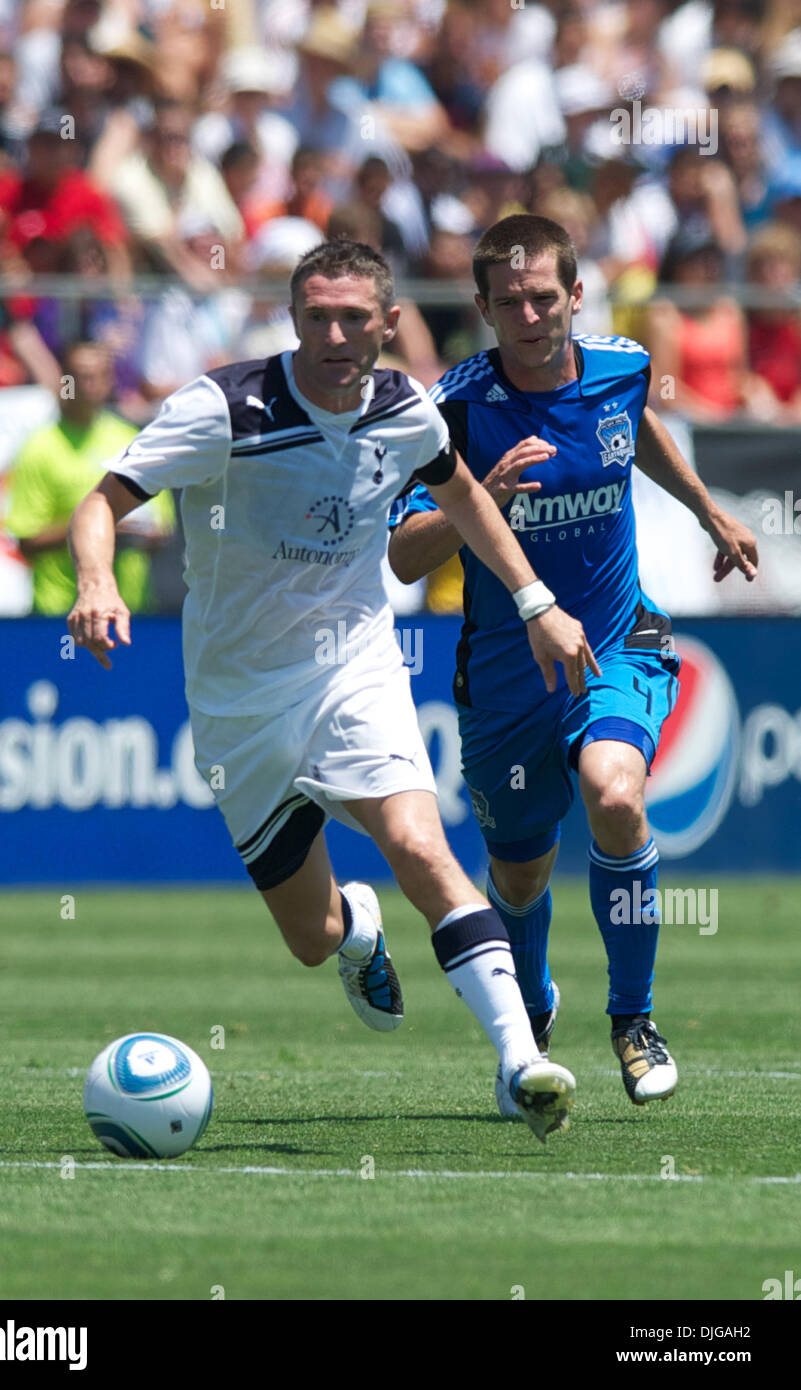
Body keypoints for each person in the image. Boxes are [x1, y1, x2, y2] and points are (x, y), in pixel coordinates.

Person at [65, 237, 602, 1142]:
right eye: (316, 315)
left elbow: (462, 495)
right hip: (239, 706)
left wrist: (536, 599)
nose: (335, 333)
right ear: (293, 318)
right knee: (310, 938)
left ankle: (520, 1063)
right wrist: (95, 581)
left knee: (420, 846)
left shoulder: (403, 408)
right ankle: (358, 926)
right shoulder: (224, 407)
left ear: (390, 324)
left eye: (354, 317)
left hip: (353, 670)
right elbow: (102, 502)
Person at [387, 214, 758, 1113]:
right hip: (507, 679)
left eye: (543, 296)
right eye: (507, 300)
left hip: (618, 640)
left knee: (615, 793)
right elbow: (403, 556)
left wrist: (710, 511)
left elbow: (643, 432)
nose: (528, 312)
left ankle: (632, 1019)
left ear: (575, 296)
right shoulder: (456, 411)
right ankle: (534, 998)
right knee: (519, 872)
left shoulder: (621, 368)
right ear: (479, 306)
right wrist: (480, 498)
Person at [2, 341, 174, 614]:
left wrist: (143, 536)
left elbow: (161, 527)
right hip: (59, 615)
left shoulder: (131, 440)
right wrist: (97, 528)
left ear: (110, 381)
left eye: (97, 376)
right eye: (78, 376)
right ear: (64, 381)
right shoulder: (39, 449)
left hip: (131, 612)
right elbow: (26, 542)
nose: (88, 385)